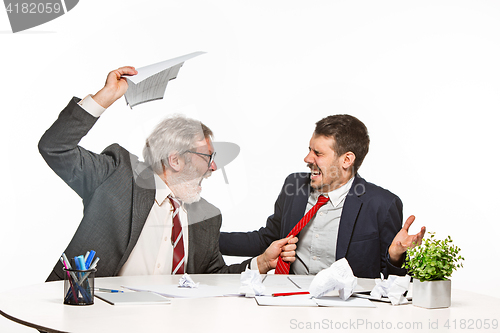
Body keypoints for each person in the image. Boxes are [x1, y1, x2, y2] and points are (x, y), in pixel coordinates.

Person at [39, 66, 289, 281]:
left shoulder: (206, 217)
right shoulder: (116, 176)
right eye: (208, 157)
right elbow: (56, 148)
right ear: (175, 159)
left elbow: (215, 278)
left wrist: (261, 263)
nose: (213, 167)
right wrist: (104, 97)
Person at [219, 114, 426, 278]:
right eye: (309, 150)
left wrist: (395, 257)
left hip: (346, 314)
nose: (307, 158)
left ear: (347, 160)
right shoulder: (294, 186)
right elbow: (267, 239)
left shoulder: (382, 204)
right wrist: (205, 240)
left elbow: (394, 283)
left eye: (318, 153)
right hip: (288, 303)